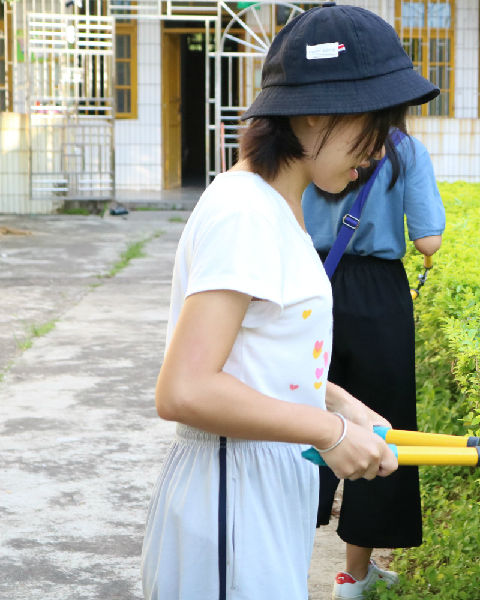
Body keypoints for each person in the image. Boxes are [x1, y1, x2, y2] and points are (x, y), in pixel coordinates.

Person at [140, 5, 439, 600]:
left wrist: (343, 404)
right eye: (374, 127)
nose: (378, 152)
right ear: (314, 113)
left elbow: (259, 357)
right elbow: (185, 390)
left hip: (262, 487)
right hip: (231, 499)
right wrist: (329, 431)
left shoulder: (278, 207)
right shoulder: (245, 214)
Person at [302, 130, 444, 600]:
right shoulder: (405, 148)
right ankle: (352, 577)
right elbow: (428, 240)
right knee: (378, 428)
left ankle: (285, 564)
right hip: (380, 295)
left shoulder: (311, 139)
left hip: (309, 282)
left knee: (303, 418)